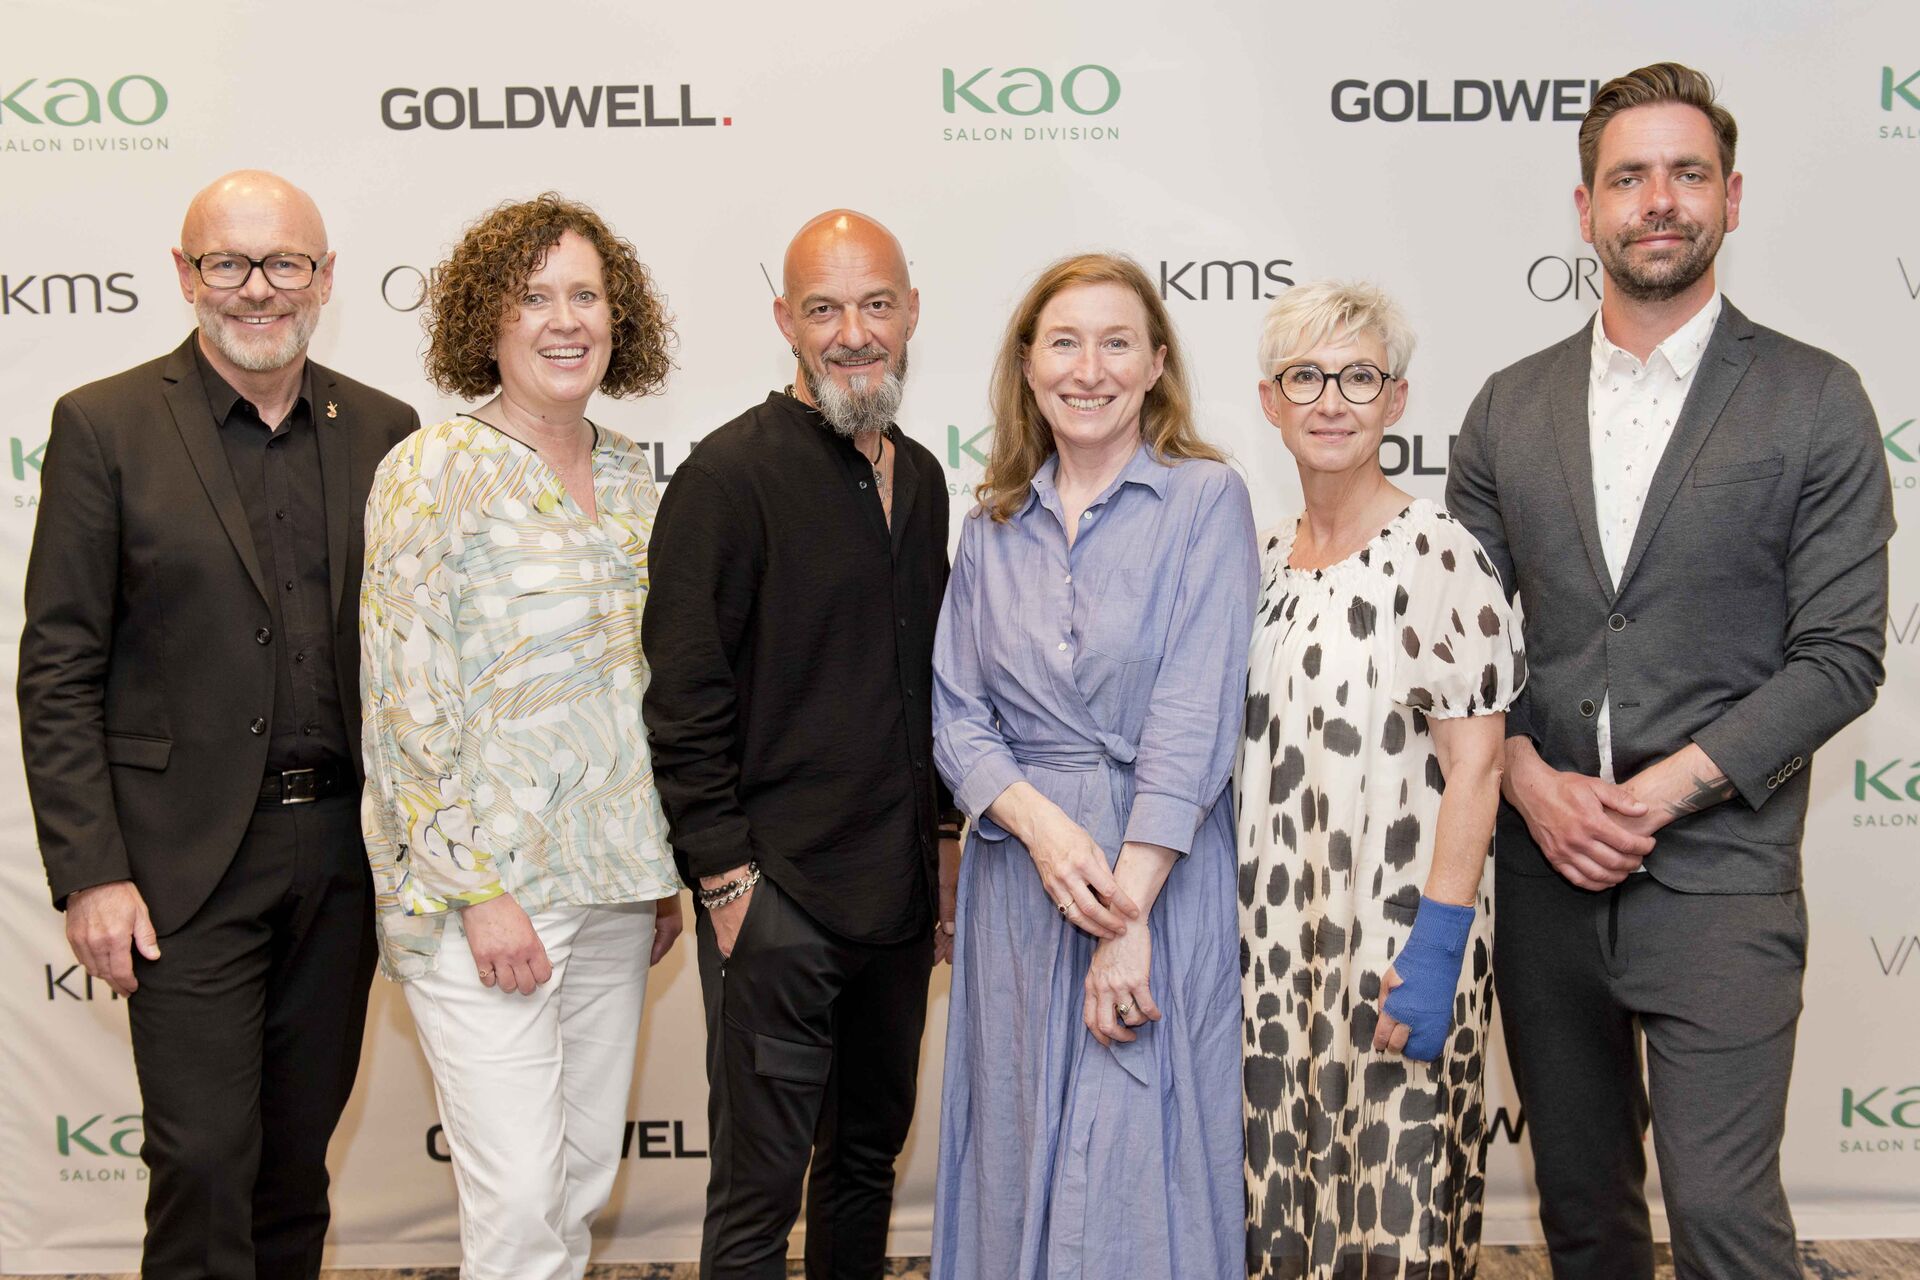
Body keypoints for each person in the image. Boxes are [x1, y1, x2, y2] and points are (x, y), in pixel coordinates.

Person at [1445, 62, 1893, 1280]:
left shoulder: (1816, 399)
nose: (1659, 200)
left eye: (1687, 174)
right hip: (1543, 878)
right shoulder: (1508, 407)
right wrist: (1528, 780)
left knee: (1724, 1222)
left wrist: (1660, 791)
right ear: (1585, 207)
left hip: (1722, 877)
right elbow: (1463, 650)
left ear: (1731, 198)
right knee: (1586, 1223)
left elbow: (1842, 656)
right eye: (1629, 177)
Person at [16, 170, 417, 1279]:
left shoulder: (385, 429)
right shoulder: (104, 424)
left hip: (342, 858)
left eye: (284, 263)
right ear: (185, 275)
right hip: (180, 865)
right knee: (201, 1159)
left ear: (325, 277)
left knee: (294, 1165)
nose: (258, 289)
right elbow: (59, 665)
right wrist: (91, 872)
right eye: (228, 263)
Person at [359, 194, 683, 1280]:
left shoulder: (635, 474)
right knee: (519, 1203)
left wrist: (659, 871)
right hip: (487, 893)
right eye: (534, 296)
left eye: (585, 295)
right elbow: (404, 697)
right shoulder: (430, 470)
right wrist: (476, 892)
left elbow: (645, 685)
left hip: (616, 882)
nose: (565, 319)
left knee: (579, 1182)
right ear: (484, 321)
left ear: (618, 317)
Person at [641, 209, 957, 1280]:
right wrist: (727, 881)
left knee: (864, 1166)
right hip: (778, 904)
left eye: (876, 305)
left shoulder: (923, 478)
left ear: (912, 313)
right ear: (785, 320)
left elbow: (927, 688)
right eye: (825, 308)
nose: (853, 332)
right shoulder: (727, 477)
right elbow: (683, 697)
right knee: (756, 1201)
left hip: (897, 907)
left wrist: (942, 845)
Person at [929, 252, 1256, 1280]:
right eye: (1065, 343)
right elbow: (956, 715)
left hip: (1156, 876)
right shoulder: (989, 525)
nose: (1090, 368)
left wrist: (1125, 918)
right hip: (1020, 885)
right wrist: (1037, 825)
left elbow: (1195, 715)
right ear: (1028, 365)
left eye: (1118, 343)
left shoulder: (1207, 500)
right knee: (1018, 1144)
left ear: (1156, 364)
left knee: (1138, 1165)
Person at [1234, 281, 1523, 1278]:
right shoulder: (1260, 561)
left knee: (1391, 1220)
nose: (1331, 401)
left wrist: (1436, 948)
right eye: (1305, 377)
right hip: (1272, 957)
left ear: (1395, 400)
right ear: (1269, 401)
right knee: (1272, 1209)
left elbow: (1478, 764)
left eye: (1358, 376)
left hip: (1397, 946)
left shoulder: (1441, 554)